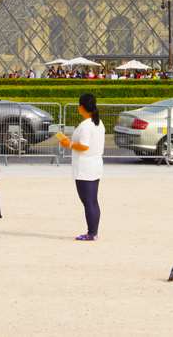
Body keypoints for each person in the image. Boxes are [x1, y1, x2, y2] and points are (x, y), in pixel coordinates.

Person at [57, 93, 105, 240]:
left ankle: (91, 233)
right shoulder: (98, 122)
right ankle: (93, 231)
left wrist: (69, 144)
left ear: (81, 107)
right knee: (93, 201)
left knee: (88, 202)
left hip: (85, 167)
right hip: (94, 165)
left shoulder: (86, 125)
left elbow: (84, 145)